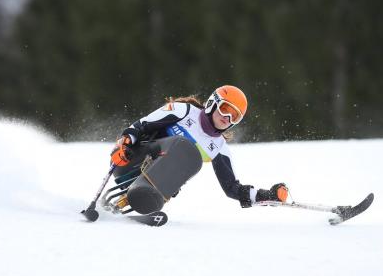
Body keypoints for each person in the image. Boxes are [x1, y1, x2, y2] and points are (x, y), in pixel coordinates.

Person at [107, 85, 289, 214]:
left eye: (235, 116)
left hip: (158, 188)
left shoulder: (219, 148)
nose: (227, 118)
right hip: (131, 161)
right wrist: (123, 144)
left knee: (190, 155)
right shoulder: (182, 111)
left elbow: (232, 188)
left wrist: (269, 196)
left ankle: (140, 199)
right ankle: (142, 191)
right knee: (183, 146)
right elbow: (140, 126)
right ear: (213, 103)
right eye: (225, 109)